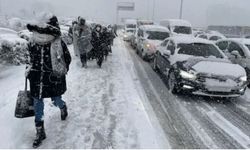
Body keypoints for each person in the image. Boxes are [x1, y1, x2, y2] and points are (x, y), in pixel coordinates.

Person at [26, 15, 71, 148]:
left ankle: (63, 107)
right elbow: (29, 59)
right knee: (38, 104)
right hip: (36, 79)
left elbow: (67, 59)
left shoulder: (57, 43)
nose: (41, 31)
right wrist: (29, 69)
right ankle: (40, 132)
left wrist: (58, 70)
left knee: (56, 100)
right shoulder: (32, 41)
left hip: (53, 79)